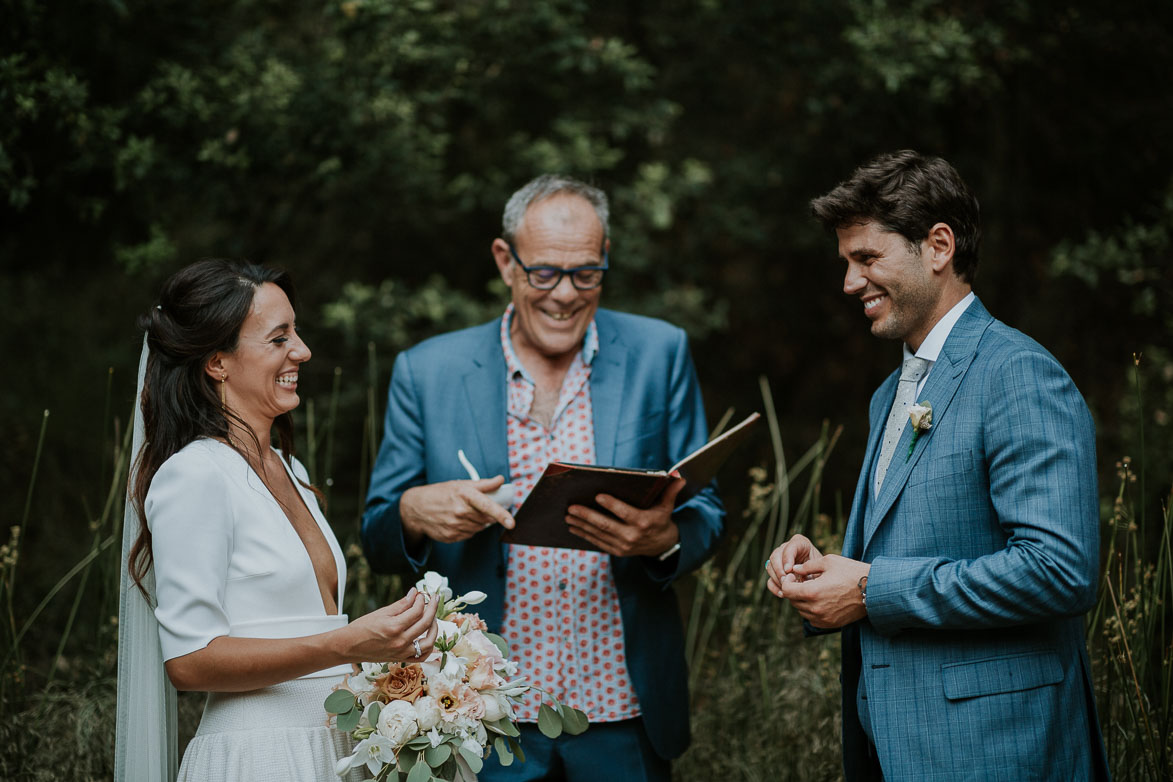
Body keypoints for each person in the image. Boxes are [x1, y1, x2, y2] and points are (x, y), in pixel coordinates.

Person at [361, 174, 725, 781]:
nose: (565, 294)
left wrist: (662, 539)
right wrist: (412, 514)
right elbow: (376, 535)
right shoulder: (427, 372)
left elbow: (706, 511)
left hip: (623, 714)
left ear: (605, 262)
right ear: (506, 261)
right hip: (482, 716)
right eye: (545, 273)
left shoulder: (661, 353)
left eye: (586, 273)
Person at [766, 150, 1109, 780]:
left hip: (998, 751)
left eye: (866, 258)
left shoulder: (1018, 374)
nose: (849, 282)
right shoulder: (889, 394)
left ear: (939, 246)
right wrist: (824, 575)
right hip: (896, 748)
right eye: (846, 263)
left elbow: (1061, 571)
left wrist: (870, 589)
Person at [114, 259, 440, 782]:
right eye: (279, 337)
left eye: (297, 332)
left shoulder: (291, 469)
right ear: (218, 362)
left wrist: (402, 666)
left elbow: (316, 625)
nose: (303, 350)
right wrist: (347, 643)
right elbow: (190, 661)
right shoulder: (195, 475)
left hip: (334, 744)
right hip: (258, 754)